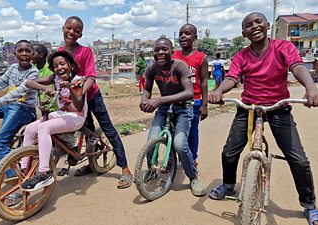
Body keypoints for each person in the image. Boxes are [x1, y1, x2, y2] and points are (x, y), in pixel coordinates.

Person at [207, 12, 318, 225]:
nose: (254, 26)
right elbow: (232, 78)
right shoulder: (241, 56)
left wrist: (311, 88)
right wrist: (218, 91)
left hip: (278, 107)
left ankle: (309, 205)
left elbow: (297, 67)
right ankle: (228, 185)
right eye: (248, 25)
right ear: (243, 33)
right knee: (229, 152)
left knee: (298, 158)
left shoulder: (283, 48)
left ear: (267, 25)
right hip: (249, 108)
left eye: (258, 22)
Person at [59, 16, 133, 189]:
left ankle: (125, 169)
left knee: (108, 129)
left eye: (76, 31)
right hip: (74, 100)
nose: (71, 32)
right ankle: (91, 164)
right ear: (63, 28)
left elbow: (91, 76)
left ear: (80, 34)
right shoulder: (60, 51)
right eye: (69, 28)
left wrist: (81, 92)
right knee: (86, 130)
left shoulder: (85, 52)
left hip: (91, 96)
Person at [141, 37, 206, 197]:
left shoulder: (180, 66)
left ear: (172, 51)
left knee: (179, 144)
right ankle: (152, 171)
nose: (160, 53)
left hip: (184, 107)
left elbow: (189, 92)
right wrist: (144, 100)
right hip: (164, 109)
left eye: (164, 49)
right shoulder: (152, 68)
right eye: (156, 50)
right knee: (151, 140)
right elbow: (147, 89)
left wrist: (159, 100)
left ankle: (193, 176)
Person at [20, 50, 87, 191]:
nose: (59, 68)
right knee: (30, 129)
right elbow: (29, 82)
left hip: (76, 116)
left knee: (44, 128)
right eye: (55, 66)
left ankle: (44, 172)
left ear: (71, 65)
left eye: (62, 64)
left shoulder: (78, 80)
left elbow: (79, 105)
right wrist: (45, 88)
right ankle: (24, 168)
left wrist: (71, 88)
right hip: (61, 113)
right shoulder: (55, 78)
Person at [172, 23, 209, 167]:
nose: (183, 36)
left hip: (194, 102)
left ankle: (192, 158)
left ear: (195, 37)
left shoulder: (201, 58)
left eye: (187, 33)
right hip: (175, 101)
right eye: (181, 33)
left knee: (192, 132)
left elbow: (204, 82)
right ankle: (171, 158)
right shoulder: (173, 55)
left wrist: (205, 105)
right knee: (171, 129)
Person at [32, 43, 58, 111]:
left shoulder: (50, 69)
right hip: (41, 106)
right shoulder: (33, 69)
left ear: (41, 55)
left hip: (53, 107)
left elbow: (53, 87)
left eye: (33, 53)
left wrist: (45, 100)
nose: (30, 56)